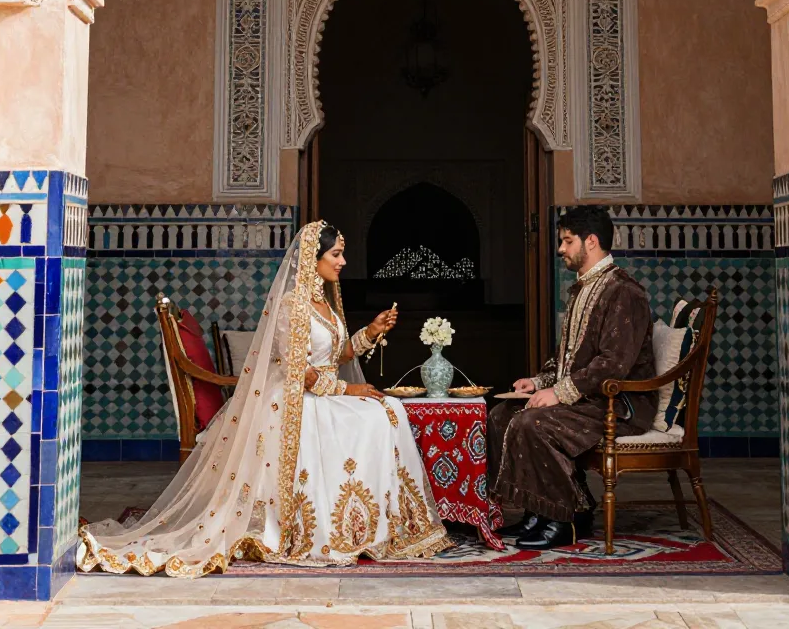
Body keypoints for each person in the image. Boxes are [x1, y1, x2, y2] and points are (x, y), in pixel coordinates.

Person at [77, 220, 448, 575]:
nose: (343, 262)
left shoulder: (325, 305)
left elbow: (336, 357)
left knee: (388, 409)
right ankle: (339, 527)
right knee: (378, 413)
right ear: (312, 258)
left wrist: (370, 331)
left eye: (341, 254)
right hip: (298, 400)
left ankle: (379, 524)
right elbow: (296, 371)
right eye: (335, 254)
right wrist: (347, 390)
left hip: (321, 395)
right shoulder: (292, 305)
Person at [486, 206, 656, 549]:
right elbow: (569, 358)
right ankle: (540, 510)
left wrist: (560, 393)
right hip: (591, 400)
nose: (561, 249)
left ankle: (565, 517)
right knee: (503, 415)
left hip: (619, 404)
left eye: (567, 241)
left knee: (532, 423)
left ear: (591, 241)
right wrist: (538, 382)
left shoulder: (624, 292)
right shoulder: (582, 289)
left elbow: (613, 365)